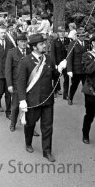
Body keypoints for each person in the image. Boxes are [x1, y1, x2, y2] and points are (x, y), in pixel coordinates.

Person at [17, 33, 62, 162]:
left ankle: (47, 151)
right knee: (30, 124)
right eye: (42, 44)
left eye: (44, 43)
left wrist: (59, 70)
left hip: (47, 99)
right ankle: (28, 142)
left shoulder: (48, 59)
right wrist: (22, 100)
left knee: (47, 126)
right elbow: (20, 82)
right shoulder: (25, 61)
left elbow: (54, 77)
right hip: (32, 100)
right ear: (34, 47)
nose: (45, 46)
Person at [5, 32, 31, 131]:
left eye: (25, 41)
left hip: (28, 84)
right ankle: (13, 123)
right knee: (15, 106)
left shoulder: (29, 51)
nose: (23, 44)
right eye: (21, 41)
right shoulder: (12, 52)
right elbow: (8, 70)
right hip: (16, 84)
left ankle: (29, 125)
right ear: (17, 42)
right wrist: (9, 84)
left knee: (29, 106)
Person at [66, 28, 88, 105]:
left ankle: (88, 100)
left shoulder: (87, 43)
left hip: (85, 69)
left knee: (86, 85)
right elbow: (69, 57)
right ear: (77, 36)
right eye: (81, 36)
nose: (83, 37)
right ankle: (70, 97)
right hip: (76, 69)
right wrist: (69, 70)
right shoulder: (73, 44)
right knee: (74, 85)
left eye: (84, 36)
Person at [50, 26, 70, 99]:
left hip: (66, 63)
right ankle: (55, 91)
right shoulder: (54, 41)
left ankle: (66, 94)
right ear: (58, 33)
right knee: (56, 78)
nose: (62, 33)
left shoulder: (68, 40)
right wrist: (54, 64)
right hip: (58, 63)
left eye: (63, 32)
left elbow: (69, 52)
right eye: (60, 32)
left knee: (66, 78)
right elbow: (52, 53)